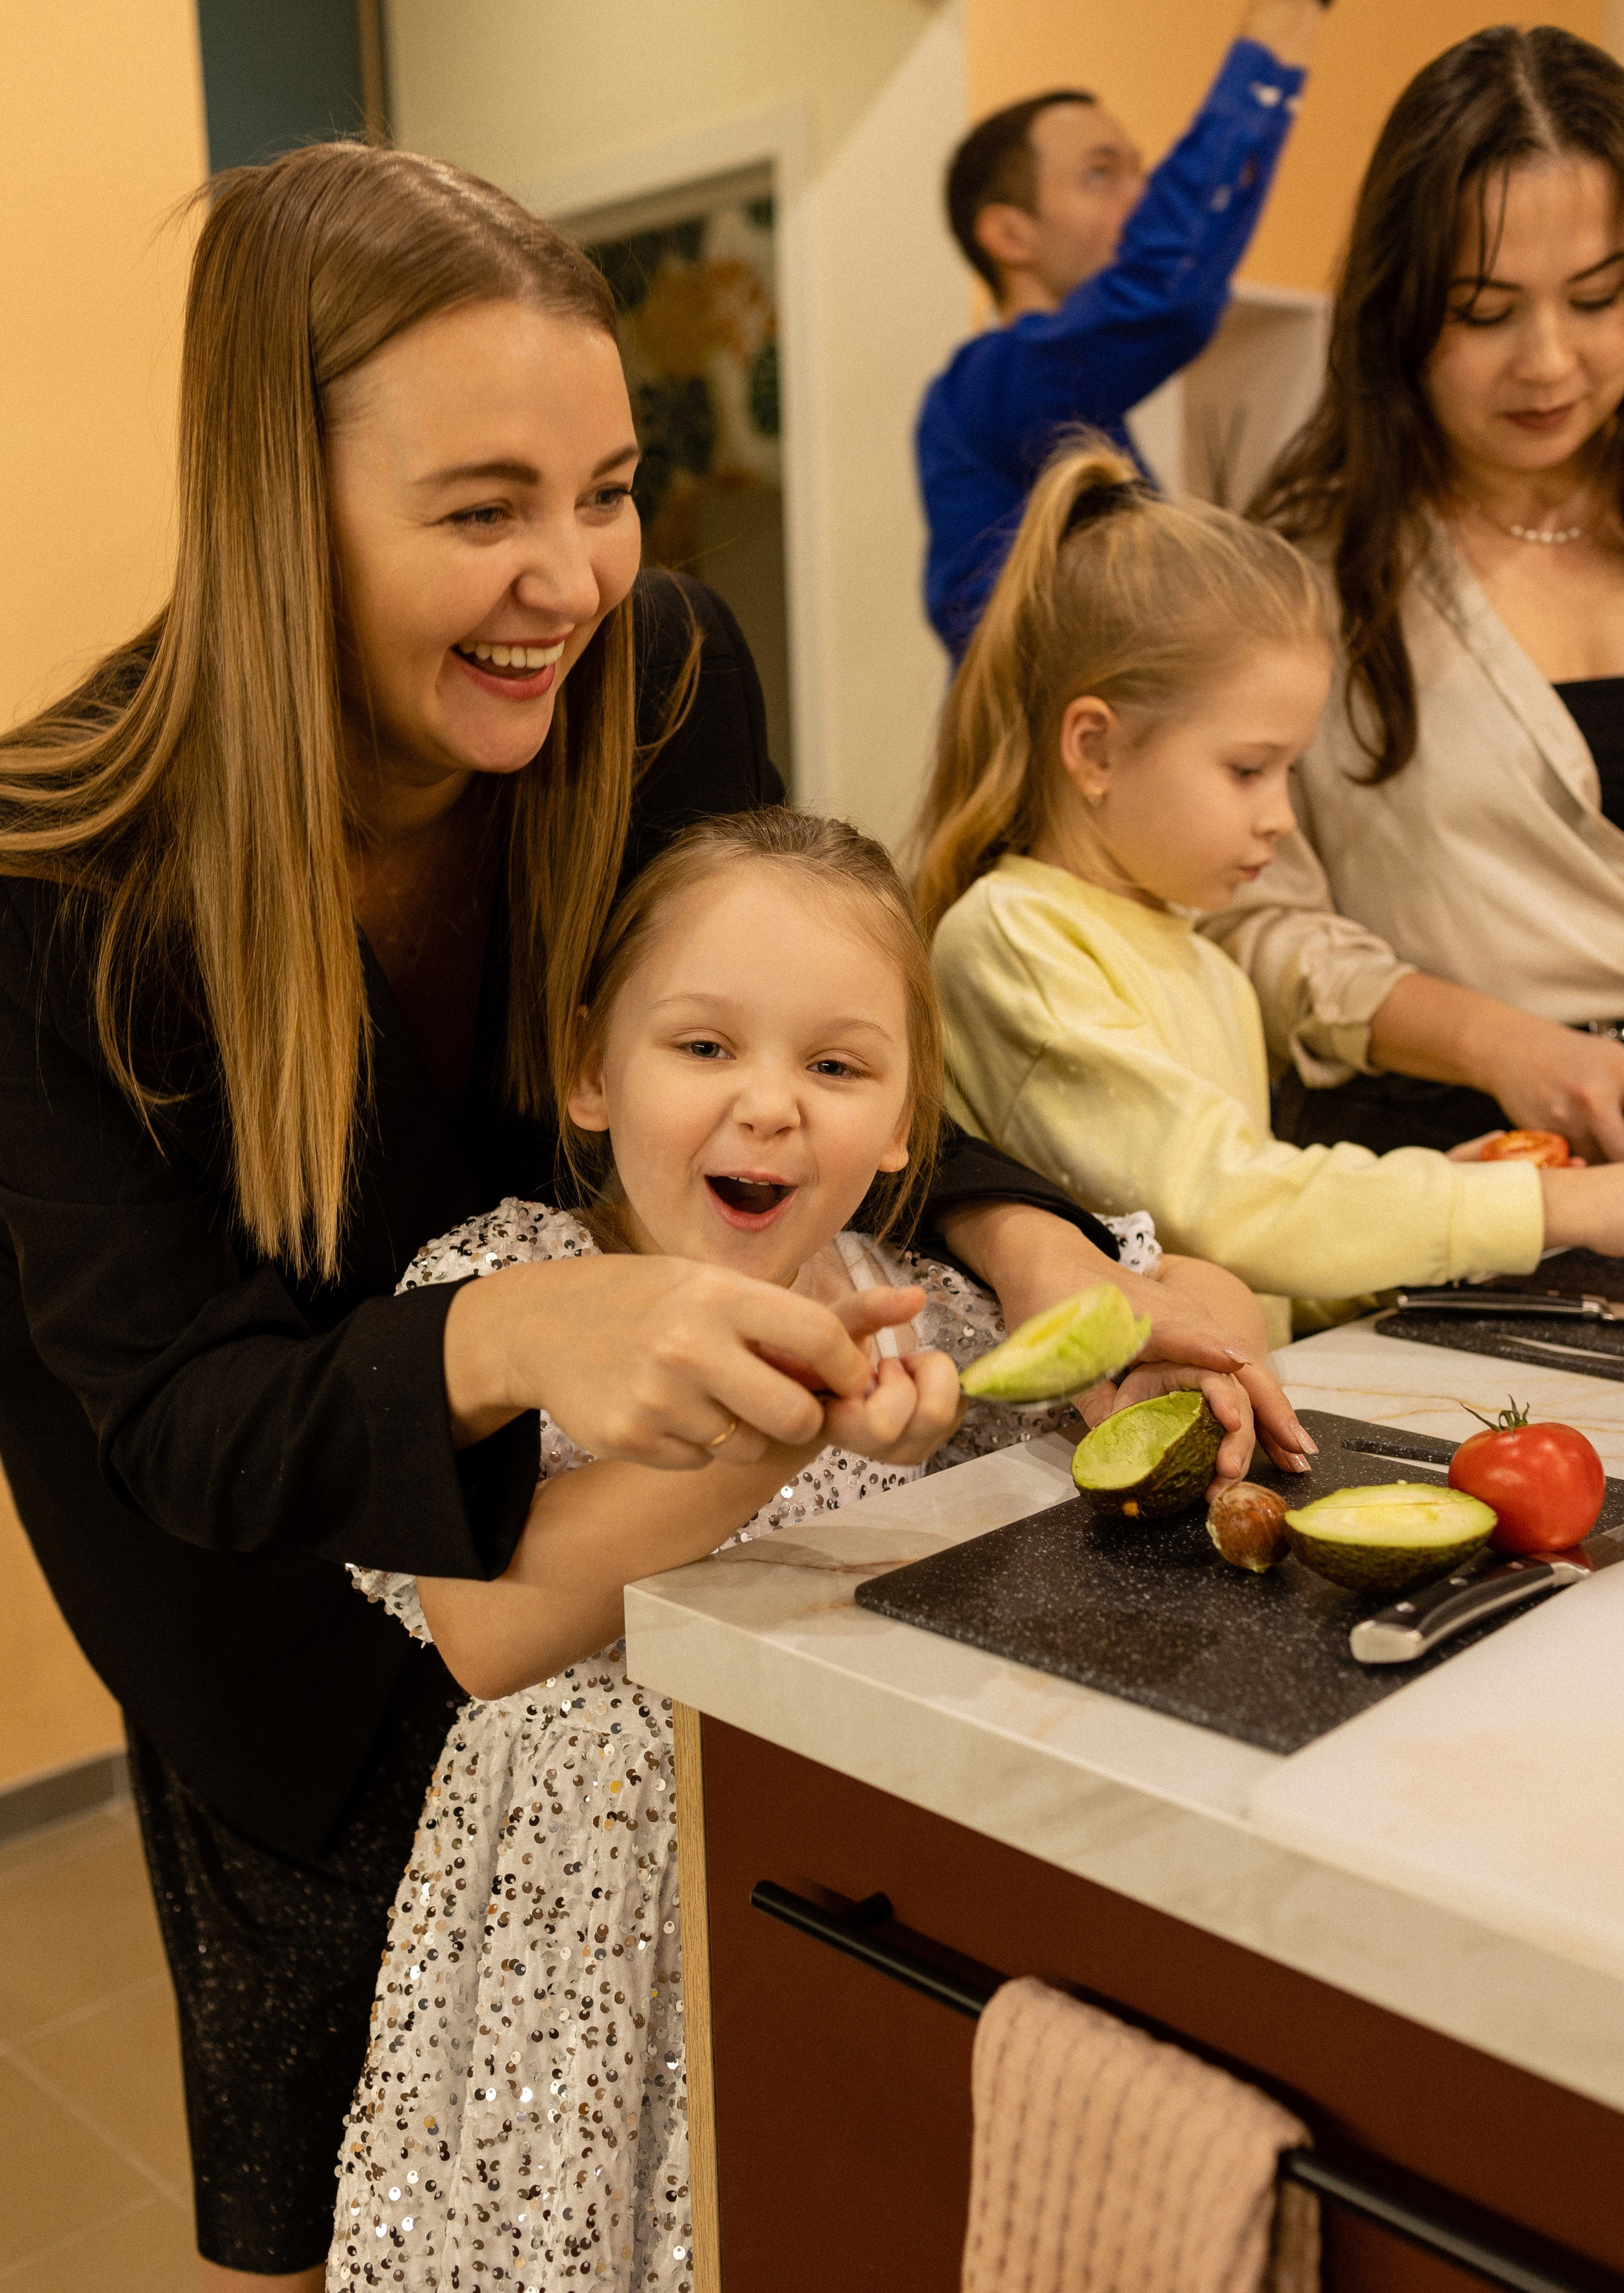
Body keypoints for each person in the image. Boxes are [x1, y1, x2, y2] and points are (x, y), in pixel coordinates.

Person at [0, 143, 1299, 2287]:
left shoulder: (666, 674)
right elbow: (188, 1427)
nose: (574, 580)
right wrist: (518, 1340)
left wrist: (1033, 1244)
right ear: (273, 499)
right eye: (482, 510)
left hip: (628, 1568)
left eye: (605, 489)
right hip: (273, 1650)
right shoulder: (60, 890)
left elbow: (791, 1019)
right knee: (361, 2195)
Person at [327, 806, 1105, 2291]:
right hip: (573, 1917)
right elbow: (488, 1634)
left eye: (833, 1064)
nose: (768, 1107)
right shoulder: (505, 1288)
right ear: (587, 1068)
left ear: (902, 1120)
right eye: (702, 1047)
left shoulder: (929, 1308)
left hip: (835, 1888)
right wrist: (790, 1426)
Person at [915, 443, 1624, 1343]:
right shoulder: (1013, 939)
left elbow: (1255, 1274)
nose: (1282, 817)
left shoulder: (1201, 956)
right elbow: (1227, 1208)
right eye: (1249, 769)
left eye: (1291, 771)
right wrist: (1552, 1206)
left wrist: (1454, 1193)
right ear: (1093, 749)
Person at [1215, 25, 1624, 1162]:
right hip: (1456, 1172)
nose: (1548, 362)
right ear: (1397, 314)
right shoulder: (1308, 572)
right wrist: (1500, 1043)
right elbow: (1251, 922)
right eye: (1486, 312)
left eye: (1598, 298)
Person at [915, 0, 1401, 663]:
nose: (1142, 199)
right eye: (1102, 173)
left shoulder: (1098, 421)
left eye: (1143, 171)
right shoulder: (987, 387)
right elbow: (1168, 289)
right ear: (1008, 235)